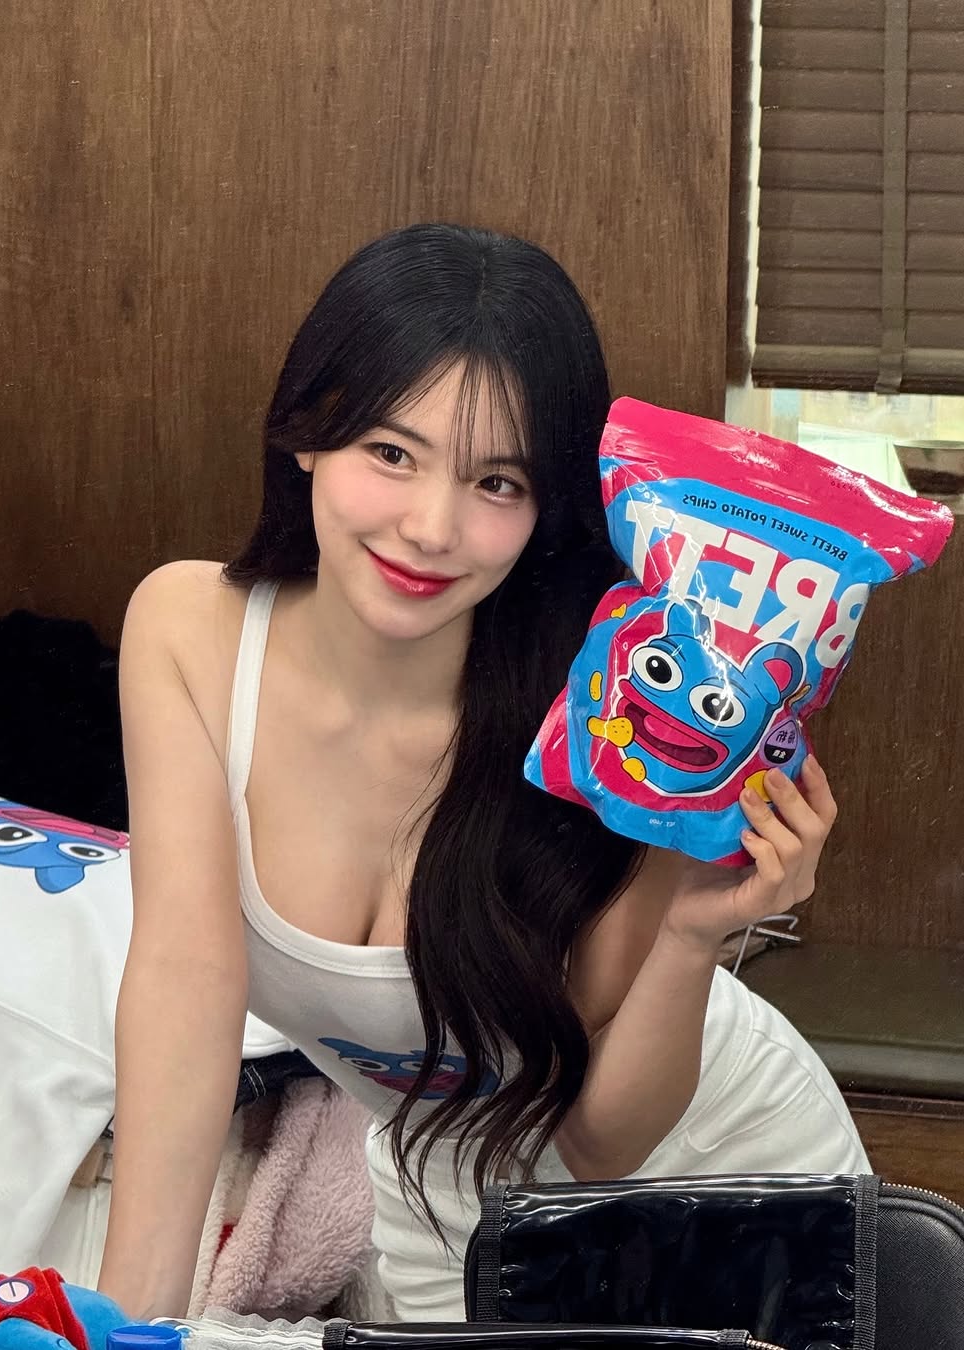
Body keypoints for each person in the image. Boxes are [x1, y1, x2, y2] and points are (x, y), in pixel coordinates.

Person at [98, 224, 867, 1323]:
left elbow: (600, 1142)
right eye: (391, 453)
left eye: (496, 481)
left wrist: (697, 930)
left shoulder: (610, 715)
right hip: (444, 1198)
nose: (432, 528)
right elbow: (184, 994)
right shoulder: (188, 633)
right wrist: (125, 1334)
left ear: (548, 506)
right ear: (308, 432)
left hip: (722, 1178)